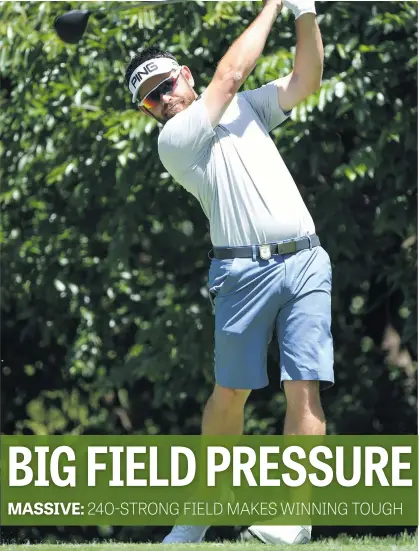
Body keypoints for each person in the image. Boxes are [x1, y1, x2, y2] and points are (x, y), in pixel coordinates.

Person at [125, 0, 331, 544]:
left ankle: (295, 518)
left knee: (304, 387)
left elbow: (306, 79)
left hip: (307, 259)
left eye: (167, 85)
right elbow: (231, 71)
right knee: (229, 394)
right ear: (148, 111)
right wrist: (272, 4)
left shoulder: (247, 109)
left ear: (183, 76)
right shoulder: (175, 141)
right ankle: (207, 503)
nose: (164, 99)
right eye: (151, 98)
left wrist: (304, 14)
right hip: (241, 276)